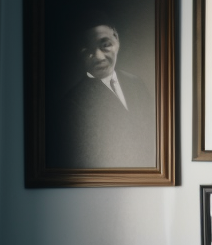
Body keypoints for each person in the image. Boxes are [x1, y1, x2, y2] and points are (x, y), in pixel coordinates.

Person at [53, 11, 156, 168]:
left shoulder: (136, 83)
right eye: (87, 49)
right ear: (77, 52)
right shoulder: (70, 105)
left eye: (105, 45)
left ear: (117, 40)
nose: (98, 56)